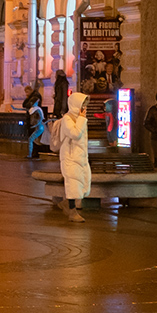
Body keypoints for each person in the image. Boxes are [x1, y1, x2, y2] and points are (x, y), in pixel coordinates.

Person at [51, 89, 92, 221]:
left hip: (80, 157)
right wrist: (81, 119)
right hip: (70, 157)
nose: (84, 108)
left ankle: (67, 205)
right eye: (82, 105)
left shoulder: (79, 118)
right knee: (73, 185)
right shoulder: (67, 119)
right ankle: (72, 212)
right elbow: (75, 134)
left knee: (83, 185)